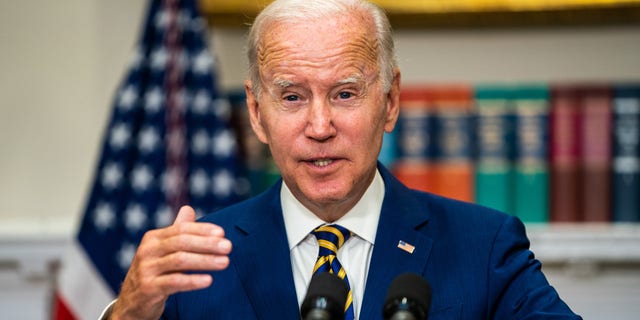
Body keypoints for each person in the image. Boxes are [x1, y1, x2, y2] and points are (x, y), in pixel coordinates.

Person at [107, 0, 581, 319]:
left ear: (390, 100)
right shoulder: (194, 266)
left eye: (345, 93)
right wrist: (128, 312)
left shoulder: (484, 248)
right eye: (292, 97)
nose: (320, 126)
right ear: (256, 113)